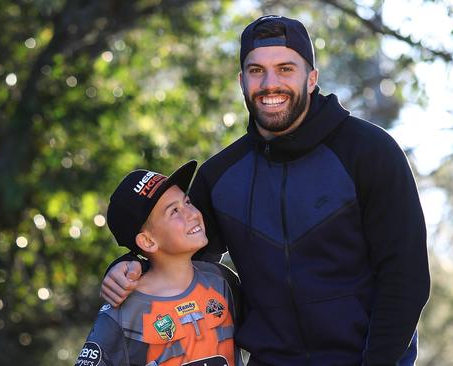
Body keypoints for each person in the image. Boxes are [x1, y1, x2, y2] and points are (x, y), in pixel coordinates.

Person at [101, 15, 430, 366]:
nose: (270, 84)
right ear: (242, 81)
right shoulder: (221, 176)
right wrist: (128, 265)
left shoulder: (370, 152)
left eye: (285, 69)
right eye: (257, 71)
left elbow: (405, 277)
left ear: (312, 78)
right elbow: (172, 251)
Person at [76, 161, 243, 366]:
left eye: (188, 202)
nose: (192, 214)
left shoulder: (221, 281)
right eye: (174, 211)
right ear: (148, 241)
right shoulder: (123, 312)